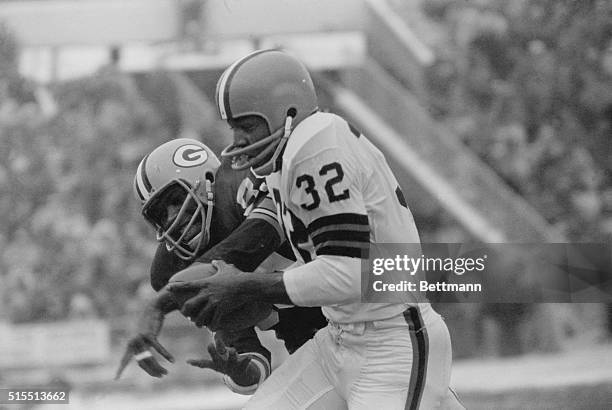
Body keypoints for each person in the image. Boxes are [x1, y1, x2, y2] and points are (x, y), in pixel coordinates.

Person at [169, 49, 464, 409]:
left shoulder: (315, 145)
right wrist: (256, 304)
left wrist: (245, 286)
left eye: (247, 126)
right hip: (338, 342)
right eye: (234, 127)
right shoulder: (286, 160)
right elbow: (321, 268)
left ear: (286, 113)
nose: (238, 139)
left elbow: (348, 272)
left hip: (393, 342)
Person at [115, 138, 327, 395]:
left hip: (373, 295)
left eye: (174, 199)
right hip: (317, 339)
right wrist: (237, 370)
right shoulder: (173, 268)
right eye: (160, 213)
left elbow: (254, 241)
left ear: (206, 181)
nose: (171, 217)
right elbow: (250, 364)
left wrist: (163, 301)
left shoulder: (241, 188)